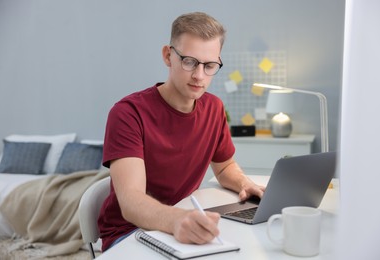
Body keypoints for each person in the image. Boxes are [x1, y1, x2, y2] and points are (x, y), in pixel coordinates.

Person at [98, 12, 266, 252]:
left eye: (209, 66)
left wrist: (244, 183)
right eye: (189, 61)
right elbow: (131, 203)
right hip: (129, 233)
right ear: (168, 56)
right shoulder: (128, 113)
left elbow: (225, 167)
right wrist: (177, 220)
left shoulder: (215, 108)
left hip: (183, 219)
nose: (199, 76)